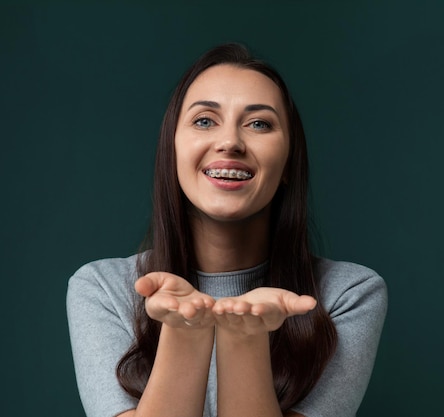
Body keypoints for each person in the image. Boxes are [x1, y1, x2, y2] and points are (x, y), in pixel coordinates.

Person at [67, 43, 387, 417]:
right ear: (172, 152)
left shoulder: (348, 294)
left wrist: (244, 337)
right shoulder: (102, 289)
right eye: (204, 120)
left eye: (259, 124)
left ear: (287, 163)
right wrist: (185, 331)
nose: (230, 142)